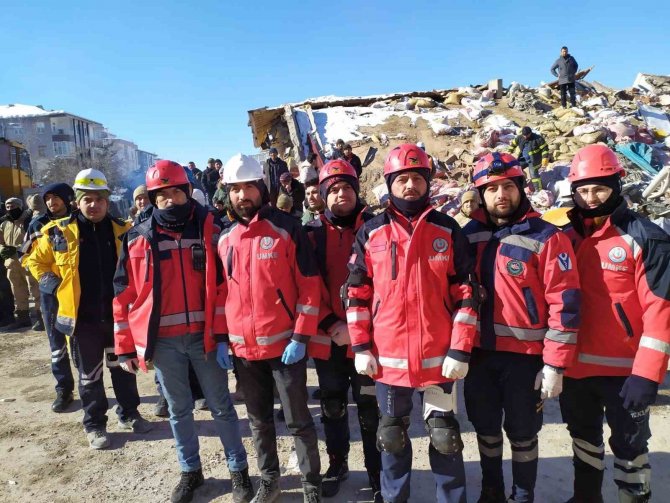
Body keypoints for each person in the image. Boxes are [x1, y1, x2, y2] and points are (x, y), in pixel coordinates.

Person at [344, 143, 479, 503]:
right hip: (388, 362)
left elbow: (467, 293)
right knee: (392, 438)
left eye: (417, 178)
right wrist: (359, 346)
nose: (410, 186)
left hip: (439, 361)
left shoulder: (448, 230)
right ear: (389, 183)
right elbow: (356, 293)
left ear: (427, 183)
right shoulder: (371, 232)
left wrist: (460, 348)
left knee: (445, 438)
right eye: (402, 179)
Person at [113, 160, 252, 503]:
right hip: (165, 343)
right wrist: (125, 346)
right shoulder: (137, 238)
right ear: (152, 199)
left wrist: (221, 336)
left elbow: (224, 286)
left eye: (177, 192)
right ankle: (190, 471)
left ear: (188, 192)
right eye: (162, 195)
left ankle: (239, 470)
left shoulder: (210, 229)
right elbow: (123, 294)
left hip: (206, 340)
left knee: (222, 407)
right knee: (179, 411)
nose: (170, 201)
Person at [460, 152, 581, 503]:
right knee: (485, 429)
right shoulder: (470, 236)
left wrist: (555, 364)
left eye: (508, 187)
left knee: (523, 433)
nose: (501, 195)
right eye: (492, 188)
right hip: (479, 355)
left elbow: (566, 305)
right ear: (480, 194)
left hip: (524, 360)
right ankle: (492, 490)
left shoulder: (547, 237)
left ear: (521, 189)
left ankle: (523, 494)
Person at [559, 145, 670, 503]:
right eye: (583, 190)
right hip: (575, 370)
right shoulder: (565, 236)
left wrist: (647, 374)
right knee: (583, 441)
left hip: (625, 371)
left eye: (600, 189)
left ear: (617, 185)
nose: (590, 199)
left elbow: (661, 309)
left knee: (630, 449)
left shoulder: (645, 237)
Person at [217, 153, 322, 502]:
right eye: (234, 189)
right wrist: (222, 338)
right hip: (244, 351)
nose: (241, 195)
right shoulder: (225, 237)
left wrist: (302, 334)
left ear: (261, 188)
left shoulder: (287, 228)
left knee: (298, 422)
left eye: (248, 187)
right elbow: (221, 293)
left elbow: (309, 285)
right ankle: (270, 479)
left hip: (284, 347)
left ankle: (311, 483)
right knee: (259, 422)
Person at [26, 168, 152, 450]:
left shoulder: (124, 231)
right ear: (77, 202)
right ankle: (95, 425)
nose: (94, 205)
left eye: (99, 199)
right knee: (89, 376)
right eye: (88, 199)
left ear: (107, 201)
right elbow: (33, 260)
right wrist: (51, 282)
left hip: (117, 318)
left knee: (123, 369)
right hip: (82, 321)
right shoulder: (57, 232)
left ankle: (129, 414)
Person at [304, 159, 381, 500]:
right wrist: (331, 323)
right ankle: (338, 464)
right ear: (322, 195)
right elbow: (304, 287)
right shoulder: (311, 235)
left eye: (347, 187)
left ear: (357, 190)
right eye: (332, 189)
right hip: (329, 338)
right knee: (333, 407)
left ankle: (378, 472)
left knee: (369, 409)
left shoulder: (377, 229)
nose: (341, 194)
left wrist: (360, 329)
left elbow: (386, 287)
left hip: (368, 341)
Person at [22, 183, 76, 411]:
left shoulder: (80, 221)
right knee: (56, 342)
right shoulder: (37, 224)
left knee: (83, 342)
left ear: (67, 199)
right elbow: (25, 256)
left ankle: (90, 386)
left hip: (77, 291)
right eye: (48, 199)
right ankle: (63, 388)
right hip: (51, 294)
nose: (52, 203)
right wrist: (51, 283)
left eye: (56, 198)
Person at [0, 197, 42, 332]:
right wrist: (3, 251)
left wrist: (17, 248)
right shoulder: (4, 224)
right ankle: (23, 318)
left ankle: (42, 318)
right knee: (17, 291)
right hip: (12, 264)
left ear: (20, 206)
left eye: (13, 206)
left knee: (35, 289)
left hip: (27, 262)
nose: (10, 209)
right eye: (8, 207)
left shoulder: (29, 221)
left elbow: (34, 241)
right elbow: (1, 242)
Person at [509, 126, 549, 192]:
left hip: (534, 160)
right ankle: (523, 186)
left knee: (533, 174)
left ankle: (538, 190)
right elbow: (513, 144)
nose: (525, 137)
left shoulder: (538, 139)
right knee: (516, 169)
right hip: (523, 159)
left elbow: (545, 149)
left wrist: (544, 160)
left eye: (527, 135)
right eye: (524, 135)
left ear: (530, 133)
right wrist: (510, 151)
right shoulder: (520, 138)